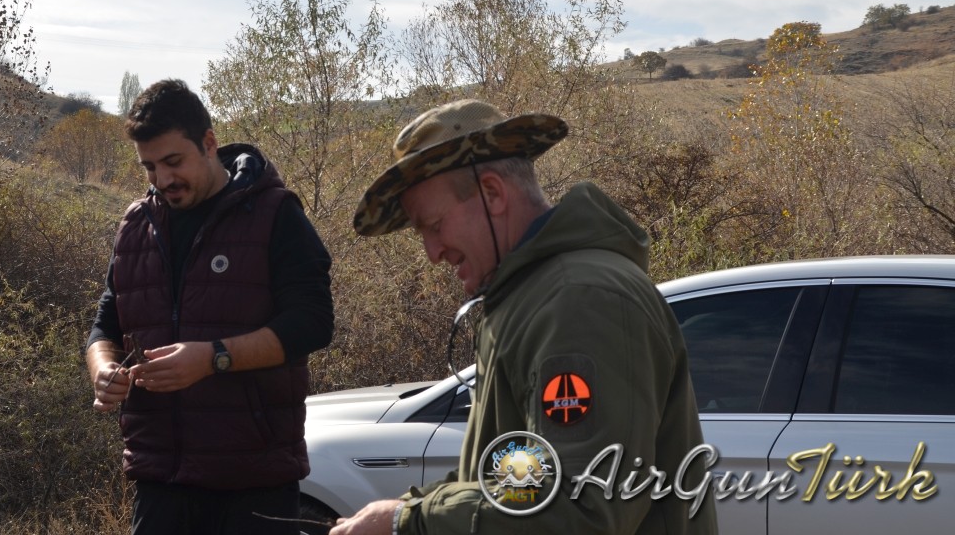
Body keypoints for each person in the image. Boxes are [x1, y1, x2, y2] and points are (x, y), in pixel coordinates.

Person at [335, 99, 718, 535]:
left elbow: (584, 509)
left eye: (434, 225)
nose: (432, 253)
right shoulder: (530, 298)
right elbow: (521, 478)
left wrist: (412, 521)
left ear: (493, 193)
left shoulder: (579, 302)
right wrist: (407, 510)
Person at [87, 79, 334, 535]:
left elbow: (313, 322)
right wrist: (103, 369)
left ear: (209, 144)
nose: (163, 180)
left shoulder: (275, 213)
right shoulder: (135, 227)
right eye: (150, 167)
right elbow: (106, 322)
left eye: (173, 161)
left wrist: (213, 357)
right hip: (160, 479)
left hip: (255, 482)